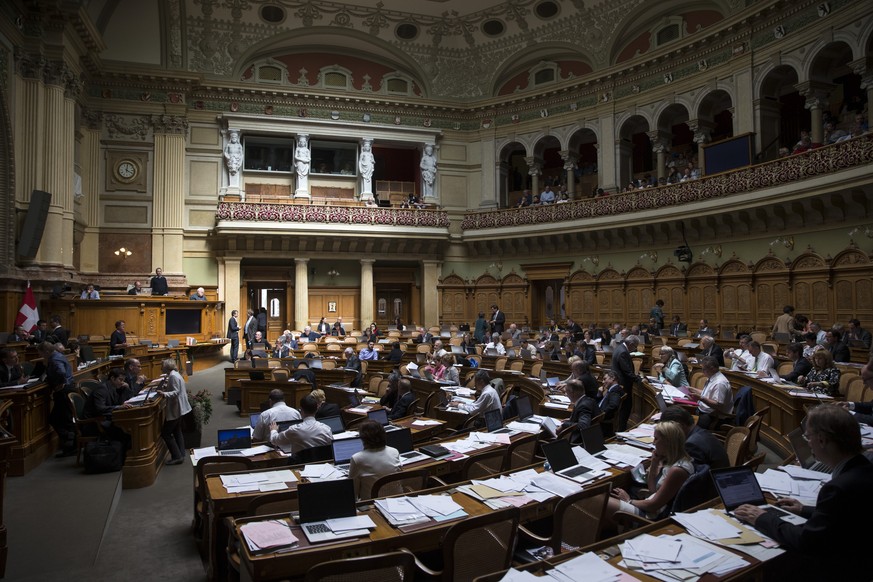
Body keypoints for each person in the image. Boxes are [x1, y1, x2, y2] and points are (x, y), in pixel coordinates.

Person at [733, 405, 873, 581]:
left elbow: (807, 542)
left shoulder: (838, 488)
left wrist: (762, 518)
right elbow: (846, 516)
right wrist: (804, 510)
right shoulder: (865, 468)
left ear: (822, 440)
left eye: (808, 436)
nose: (808, 442)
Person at [607, 420, 694, 521]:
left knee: (603, 502)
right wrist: (654, 463)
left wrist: (629, 501)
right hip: (649, 506)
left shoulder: (678, 470)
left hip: (652, 516)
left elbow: (653, 505)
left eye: (656, 439)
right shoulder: (672, 461)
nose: (653, 442)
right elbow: (653, 490)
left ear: (667, 442)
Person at [659, 405, 729, 470]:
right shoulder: (699, 432)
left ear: (680, 426)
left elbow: (688, 476)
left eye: (669, 430)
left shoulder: (692, 445)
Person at [348, 420, 401, 499]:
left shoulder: (357, 458)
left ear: (363, 438)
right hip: (396, 499)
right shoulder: (394, 451)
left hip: (372, 503)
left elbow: (353, 490)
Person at [158, 358, 192, 465]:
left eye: (162, 365)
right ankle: (181, 454)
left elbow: (176, 392)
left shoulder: (173, 376)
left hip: (176, 408)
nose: (161, 367)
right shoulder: (175, 374)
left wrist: (164, 394)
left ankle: (177, 456)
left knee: (166, 433)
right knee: (177, 431)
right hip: (179, 408)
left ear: (167, 367)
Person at [687, 356, 733, 429]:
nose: (702, 371)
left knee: (687, 426)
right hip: (704, 411)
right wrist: (692, 389)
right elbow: (708, 393)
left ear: (712, 368)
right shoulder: (712, 378)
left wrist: (700, 398)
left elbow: (718, 405)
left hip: (713, 417)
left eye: (704, 369)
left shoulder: (719, 383)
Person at [611, 334, 640, 431]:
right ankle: (622, 430)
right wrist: (638, 379)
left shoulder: (619, 348)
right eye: (635, 346)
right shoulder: (623, 352)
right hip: (623, 385)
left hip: (620, 383)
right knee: (625, 409)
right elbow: (627, 371)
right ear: (631, 344)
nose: (635, 349)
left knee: (624, 409)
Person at [560, 379, 599, 444]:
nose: (566, 395)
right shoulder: (590, 400)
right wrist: (572, 419)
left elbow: (583, 426)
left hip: (578, 442)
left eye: (566, 392)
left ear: (572, 393)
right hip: (592, 438)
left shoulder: (583, 406)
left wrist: (565, 425)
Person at [598, 370, 623, 437]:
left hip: (602, 423)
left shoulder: (615, 390)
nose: (603, 382)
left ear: (612, 378)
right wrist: (600, 393)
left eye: (605, 379)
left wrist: (601, 414)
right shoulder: (612, 389)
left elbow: (613, 405)